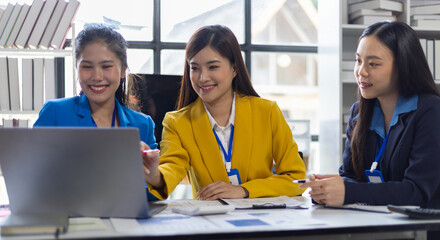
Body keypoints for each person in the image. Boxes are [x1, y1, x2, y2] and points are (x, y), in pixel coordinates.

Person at [300, 21, 440, 240]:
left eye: (373, 64)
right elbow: (351, 175)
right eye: (358, 61)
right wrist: (329, 189)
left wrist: (347, 192)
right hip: (384, 221)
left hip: (436, 226)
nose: (361, 72)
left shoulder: (431, 110)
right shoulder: (359, 112)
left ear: (402, 67)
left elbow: (417, 192)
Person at [143, 25, 306, 200]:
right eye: (195, 68)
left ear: (234, 69)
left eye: (212, 67)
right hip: (209, 224)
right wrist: (153, 175)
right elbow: (172, 168)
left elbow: (296, 178)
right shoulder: (177, 122)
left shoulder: (267, 112)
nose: (202, 78)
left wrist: (244, 190)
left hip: (260, 221)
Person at [34, 24, 159, 201]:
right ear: (76, 68)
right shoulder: (55, 113)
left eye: (106, 66)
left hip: (124, 222)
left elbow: (152, 197)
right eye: (87, 67)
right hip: (68, 220)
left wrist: (153, 176)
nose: (97, 76)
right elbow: (32, 180)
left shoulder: (143, 124)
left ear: (123, 70)